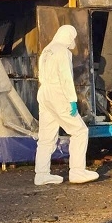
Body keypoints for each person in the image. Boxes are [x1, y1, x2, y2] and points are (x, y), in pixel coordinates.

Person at [34, 25, 99, 186]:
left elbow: (41, 75)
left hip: (44, 93)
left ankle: (41, 174)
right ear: (69, 36)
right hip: (58, 93)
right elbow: (65, 76)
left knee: (46, 137)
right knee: (79, 131)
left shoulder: (47, 50)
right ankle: (77, 171)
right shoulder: (63, 51)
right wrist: (71, 99)